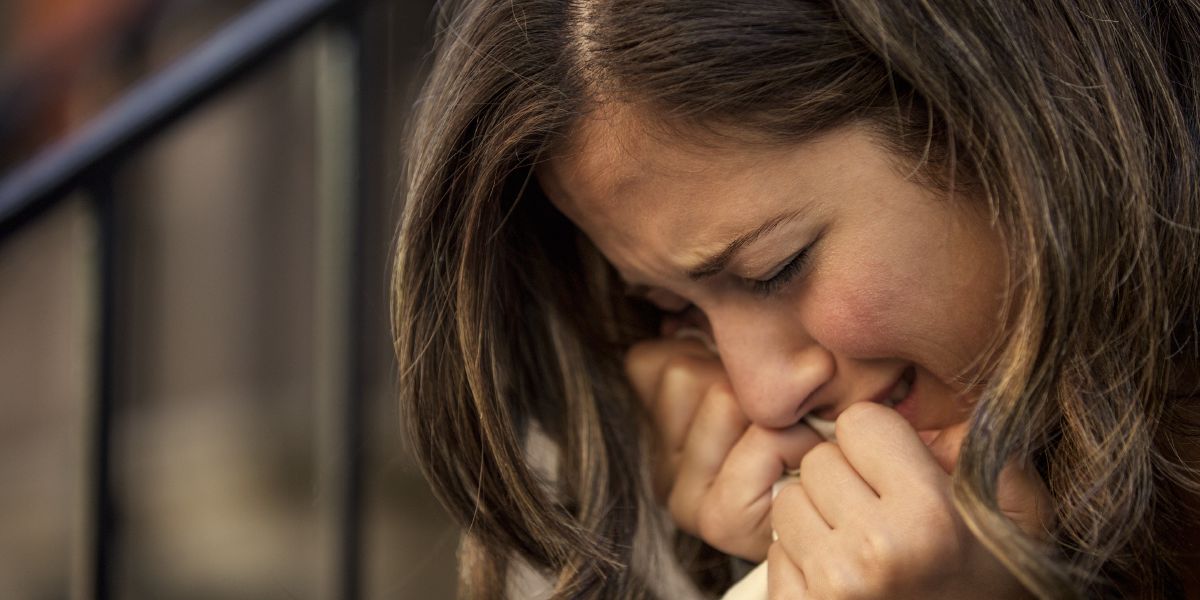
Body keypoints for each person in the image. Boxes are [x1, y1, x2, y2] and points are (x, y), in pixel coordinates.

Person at [392, 0, 1200, 597]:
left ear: (1001, 120)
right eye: (676, 310)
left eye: (773, 270)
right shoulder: (669, 455)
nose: (761, 392)